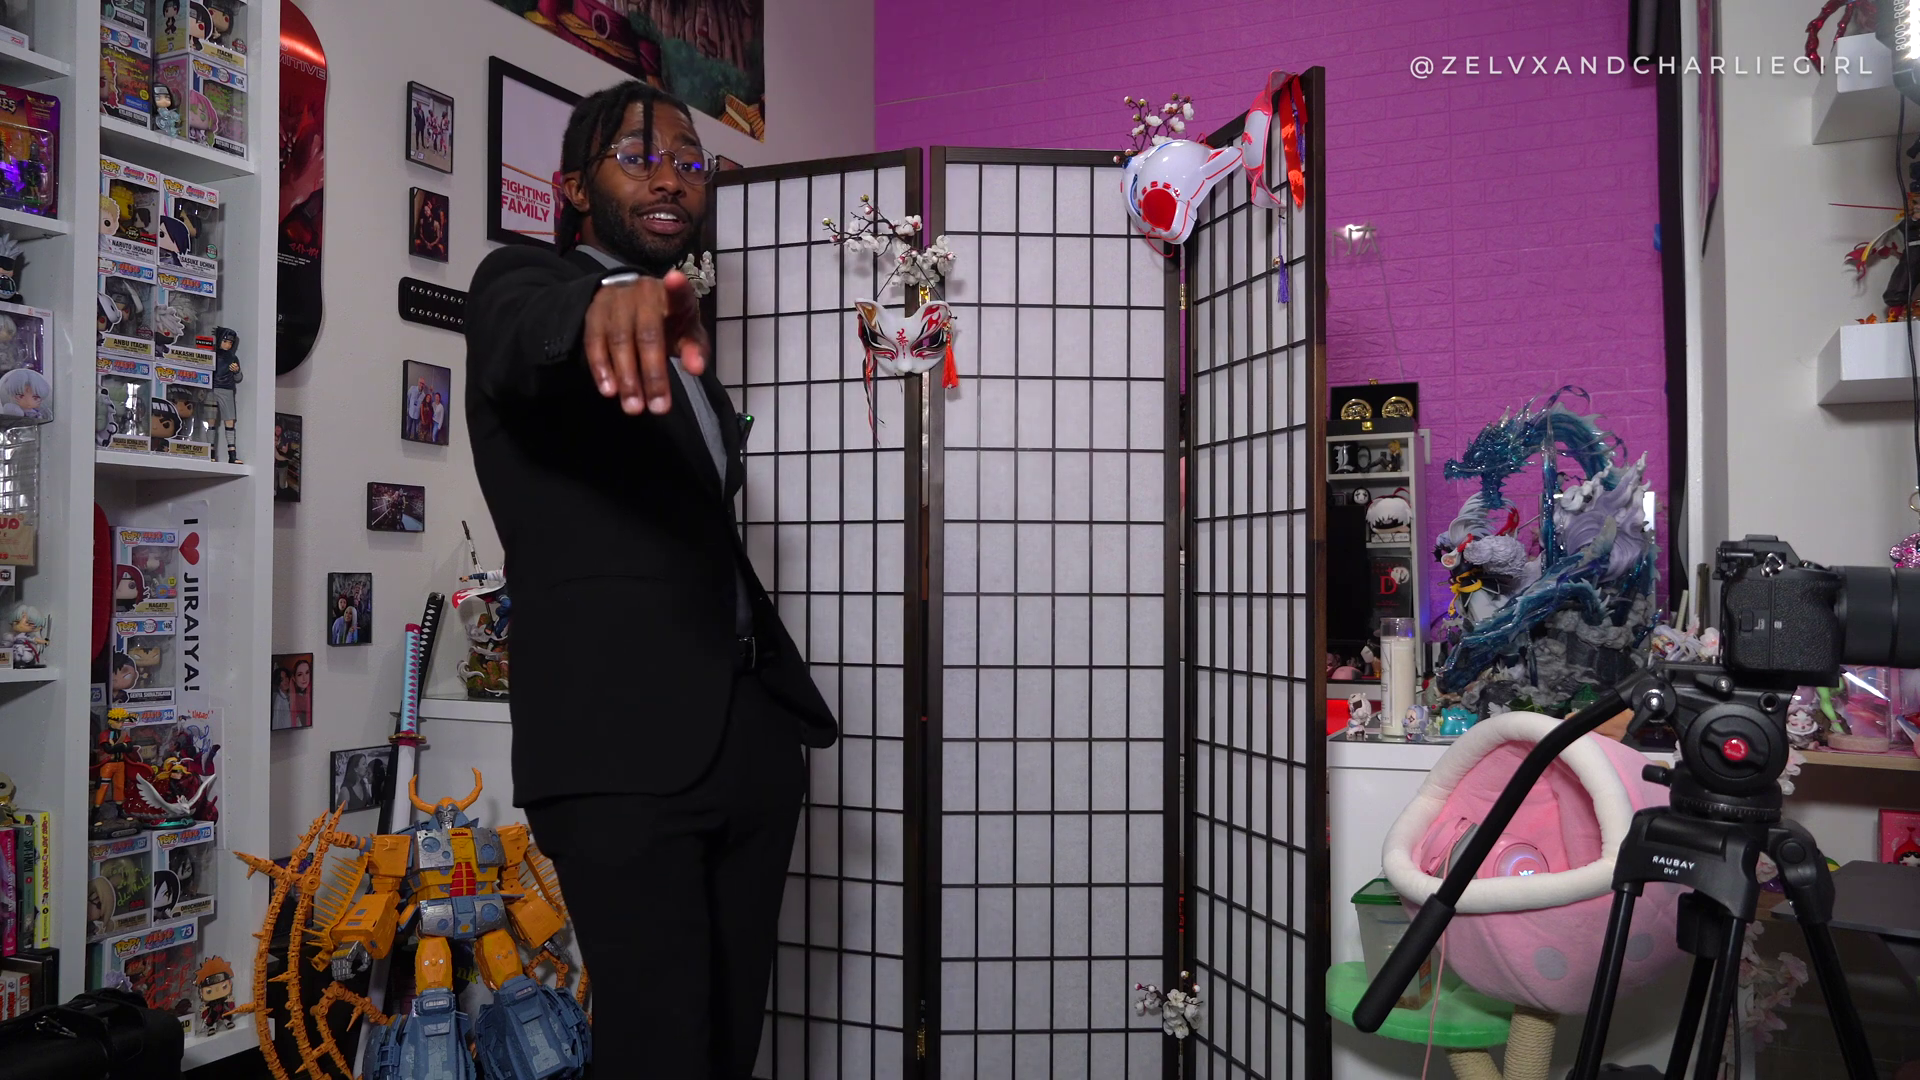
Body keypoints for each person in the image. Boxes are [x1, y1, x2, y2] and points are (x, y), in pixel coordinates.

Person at [463, 80, 836, 1076]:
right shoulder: (522, 286)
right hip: (618, 756)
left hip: (746, 740)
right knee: (658, 1050)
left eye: (688, 159)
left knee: (726, 1047)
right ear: (573, 190)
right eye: (637, 156)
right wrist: (601, 298)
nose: (671, 176)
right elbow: (527, 332)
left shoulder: (690, 353)